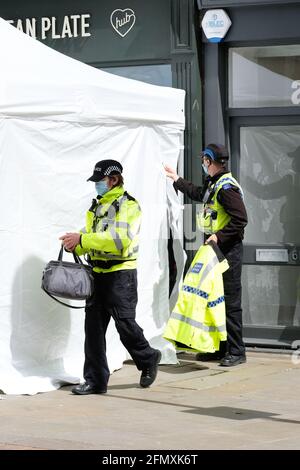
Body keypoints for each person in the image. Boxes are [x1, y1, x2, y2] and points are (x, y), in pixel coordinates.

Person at [60, 159, 161, 394]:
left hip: (120, 275)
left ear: (113, 179)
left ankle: (148, 357)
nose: (97, 185)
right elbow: (93, 236)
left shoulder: (129, 205)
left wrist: (83, 240)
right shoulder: (97, 206)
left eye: (100, 181)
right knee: (93, 330)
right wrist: (76, 244)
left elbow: (120, 240)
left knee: (125, 324)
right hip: (97, 274)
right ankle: (95, 381)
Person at [164, 143, 248, 367]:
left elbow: (240, 219)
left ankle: (237, 351)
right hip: (216, 250)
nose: (203, 164)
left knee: (230, 301)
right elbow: (199, 193)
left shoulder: (227, 188)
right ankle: (219, 348)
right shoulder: (215, 184)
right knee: (214, 299)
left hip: (228, 250)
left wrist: (219, 236)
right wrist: (176, 179)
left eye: (204, 160)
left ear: (210, 161)